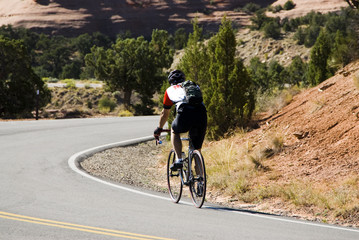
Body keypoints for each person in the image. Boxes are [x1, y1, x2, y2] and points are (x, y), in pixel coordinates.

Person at [154, 70, 207, 170]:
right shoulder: (194, 86)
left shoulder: (170, 90)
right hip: (201, 113)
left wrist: (159, 128)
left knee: (175, 130)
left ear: (170, 81)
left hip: (185, 112)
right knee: (197, 150)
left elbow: (165, 114)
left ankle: (178, 159)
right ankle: (201, 181)